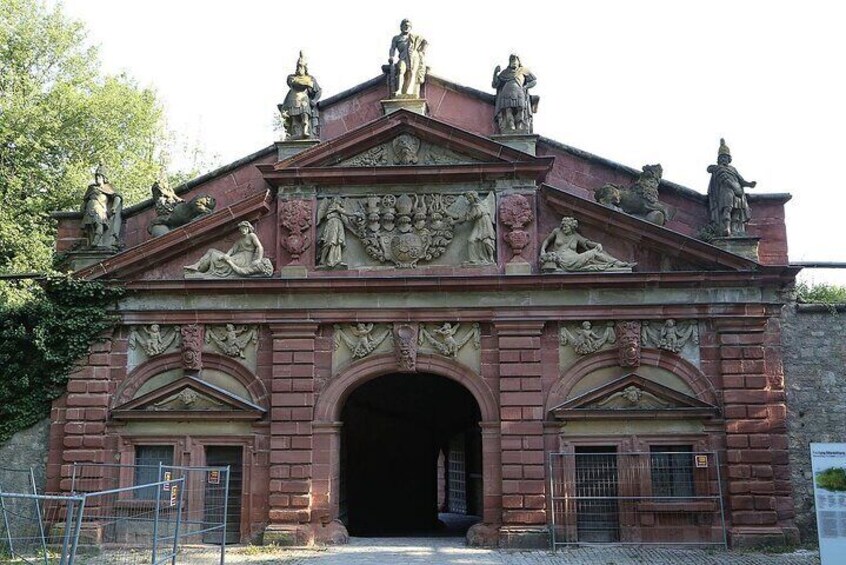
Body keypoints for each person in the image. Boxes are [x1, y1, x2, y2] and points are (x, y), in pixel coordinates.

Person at [540, 217, 634, 272]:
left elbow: (587, 242)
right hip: (564, 260)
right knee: (593, 254)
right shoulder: (557, 231)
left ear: (572, 227)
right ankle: (617, 263)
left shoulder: (575, 236)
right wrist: (542, 252)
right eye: (563, 226)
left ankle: (616, 264)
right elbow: (547, 241)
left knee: (595, 256)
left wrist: (597, 244)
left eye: (567, 226)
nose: (564, 228)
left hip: (575, 258)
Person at [184, 221, 273, 277]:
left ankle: (199, 271)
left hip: (245, 260)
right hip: (238, 257)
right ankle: (197, 266)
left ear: (248, 228)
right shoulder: (240, 240)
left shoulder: (251, 236)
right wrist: (227, 255)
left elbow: (259, 247)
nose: (242, 230)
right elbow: (232, 250)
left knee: (215, 255)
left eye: (244, 228)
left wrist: (257, 259)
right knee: (211, 250)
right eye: (241, 228)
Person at [707, 138, 756, 236]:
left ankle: (736, 229)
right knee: (727, 208)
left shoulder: (733, 169)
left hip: (738, 192)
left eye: (725, 157)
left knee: (737, 210)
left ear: (729, 159)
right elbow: (710, 169)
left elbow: (741, 180)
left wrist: (749, 184)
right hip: (726, 190)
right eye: (721, 157)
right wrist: (715, 168)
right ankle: (727, 227)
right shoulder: (718, 168)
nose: (723, 159)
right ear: (718, 159)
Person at [279, 51, 322, 140]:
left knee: (305, 117)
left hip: (304, 100)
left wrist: (314, 100)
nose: (299, 68)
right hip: (292, 100)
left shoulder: (310, 78)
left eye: (301, 66)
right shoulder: (291, 77)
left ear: (305, 67)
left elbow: (318, 91)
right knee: (294, 121)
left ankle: (305, 131)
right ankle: (295, 135)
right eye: (298, 66)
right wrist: (308, 83)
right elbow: (295, 83)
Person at [492, 54, 537, 133]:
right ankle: (510, 125)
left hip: (519, 92)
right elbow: (495, 84)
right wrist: (495, 73)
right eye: (512, 61)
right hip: (506, 93)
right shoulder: (505, 72)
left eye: (515, 60)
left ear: (519, 61)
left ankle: (520, 125)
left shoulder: (524, 70)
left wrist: (526, 87)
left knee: (521, 109)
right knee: (508, 110)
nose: (514, 62)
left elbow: (533, 81)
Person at [81, 163, 122, 248]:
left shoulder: (108, 188)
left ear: (104, 178)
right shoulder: (91, 188)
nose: (97, 179)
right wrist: (82, 208)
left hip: (100, 209)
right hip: (89, 209)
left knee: (99, 224)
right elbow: (85, 201)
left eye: (99, 177)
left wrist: (114, 207)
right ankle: (93, 243)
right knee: (90, 227)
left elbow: (117, 197)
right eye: (96, 177)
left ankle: (97, 241)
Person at [388, 19, 427, 98]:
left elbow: (425, 42)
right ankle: (399, 90)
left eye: (408, 26)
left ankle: (409, 91)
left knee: (412, 73)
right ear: (401, 27)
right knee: (400, 70)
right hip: (403, 57)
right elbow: (392, 48)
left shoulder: (415, 37)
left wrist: (421, 52)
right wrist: (391, 56)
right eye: (404, 25)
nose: (406, 27)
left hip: (414, 57)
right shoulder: (396, 38)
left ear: (410, 28)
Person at [464, 192, 496, 265]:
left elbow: (469, 217)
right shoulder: (475, 206)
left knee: (486, 241)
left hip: (485, 224)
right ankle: (473, 260)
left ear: (474, 197)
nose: (468, 200)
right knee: (471, 240)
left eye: (469, 198)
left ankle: (491, 258)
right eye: (467, 198)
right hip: (478, 224)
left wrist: (455, 222)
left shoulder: (477, 206)